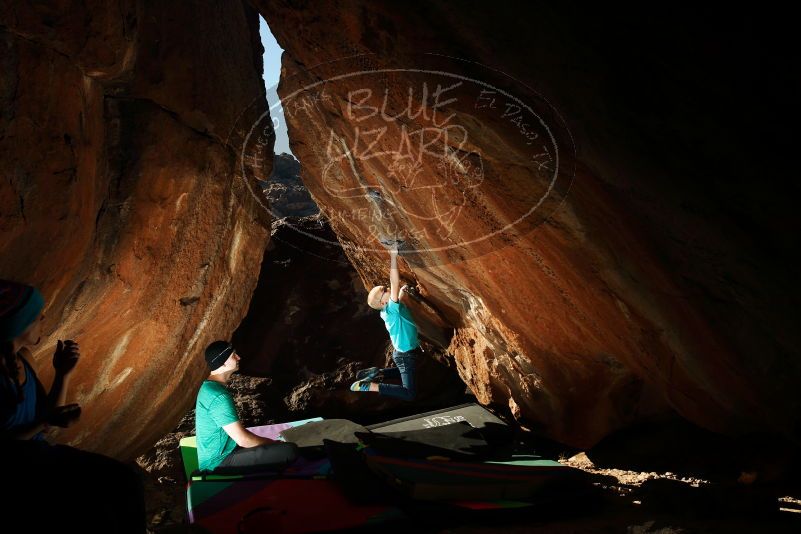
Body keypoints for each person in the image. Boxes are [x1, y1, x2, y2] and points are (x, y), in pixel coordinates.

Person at [0, 279, 145, 533]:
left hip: (41, 457)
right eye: (36, 316)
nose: (43, 318)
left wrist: (62, 374)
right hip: (18, 472)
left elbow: (47, 416)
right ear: (19, 325)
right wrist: (45, 422)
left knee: (124, 478)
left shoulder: (26, 359)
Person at [196, 340, 298, 472]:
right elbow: (242, 440)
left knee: (273, 446)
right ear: (223, 362)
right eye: (234, 355)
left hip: (224, 451)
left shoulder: (209, 387)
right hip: (217, 463)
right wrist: (272, 444)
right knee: (290, 451)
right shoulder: (218, 396)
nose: (239, 357)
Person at [350, 242, 421, 400]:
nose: (389, 290)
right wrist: (393, 256)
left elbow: (398, 304)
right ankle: (370, 386)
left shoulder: (388, 311)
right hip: (405, 356)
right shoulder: (390, 309)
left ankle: (378, 373)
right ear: (383, 303)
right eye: (385, 291)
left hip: (404, 354)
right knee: (409, 394)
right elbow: (394, 282)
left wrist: (402, 293)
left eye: (386, 289)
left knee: (407, 370)